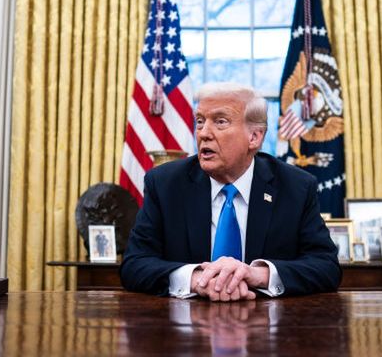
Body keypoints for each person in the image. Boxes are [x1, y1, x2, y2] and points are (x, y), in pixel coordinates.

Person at [120, 82, 341, 301]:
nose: (204, 133)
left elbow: (326, 266)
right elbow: (134, 265)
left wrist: (257, 275)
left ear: (254, 137)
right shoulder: (165, 184)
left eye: (220, 122)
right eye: (199, 121)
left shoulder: (296, 187)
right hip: (184, 328)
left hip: (270, 329)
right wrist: (198, 280)